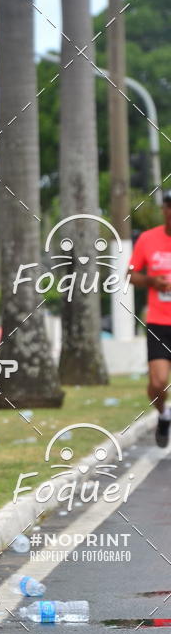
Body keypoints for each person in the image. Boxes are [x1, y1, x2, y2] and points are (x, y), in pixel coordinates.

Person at [129, 190, 171, 447]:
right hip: (158, 322)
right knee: (157, 383)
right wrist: (152, 281)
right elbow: (130, 275)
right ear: (164, 210)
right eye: (169, 206)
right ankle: (163, 414)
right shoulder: (148, 239)